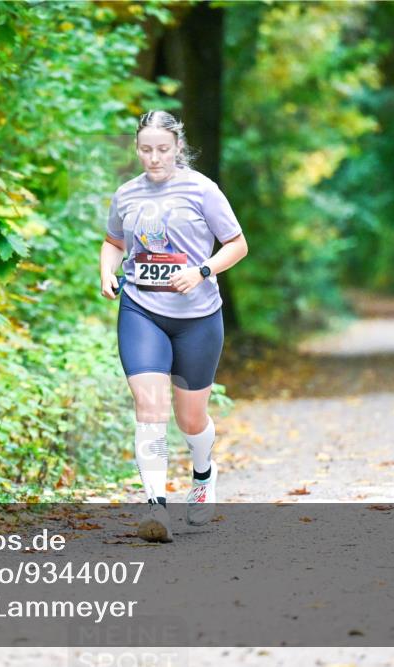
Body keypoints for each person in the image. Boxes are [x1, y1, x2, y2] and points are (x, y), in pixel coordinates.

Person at [98, 110, 249, 543]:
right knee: (149, 405)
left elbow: (237, 245)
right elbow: (113, 242)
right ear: (137, 149)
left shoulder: (203, 190)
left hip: (198, 318)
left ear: (178, 148)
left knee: (190, 418)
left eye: (162, 149)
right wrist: (108, 272)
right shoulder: (126, 194)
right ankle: (155, 507)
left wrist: (201, 270)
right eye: (146, 150)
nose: (154, 158)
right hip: (142, 311)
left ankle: (203, 474)